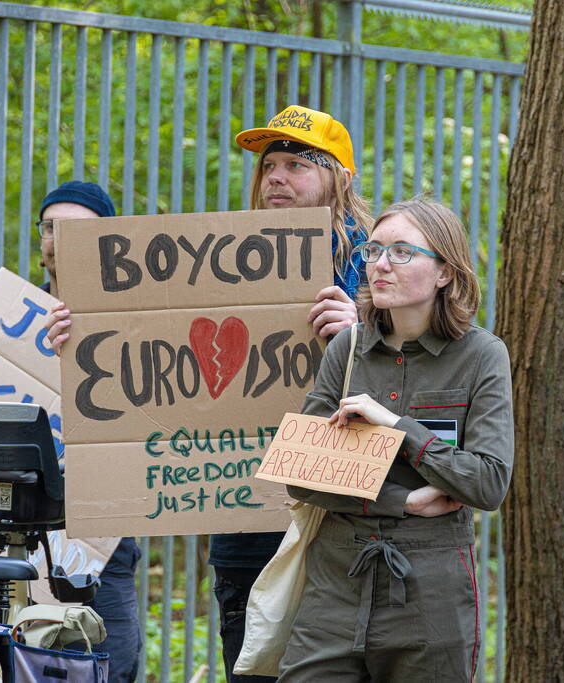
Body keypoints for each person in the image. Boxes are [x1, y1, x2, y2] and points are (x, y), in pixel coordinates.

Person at [45, 105, 373, 683]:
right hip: (249, 512)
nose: (276, 175)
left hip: (341, 517)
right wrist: (80, 335)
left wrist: (362, 330)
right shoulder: (221, 257)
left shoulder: (380, 263)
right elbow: (145, 343)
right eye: (270, 164)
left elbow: (422, 373)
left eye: (297, 164)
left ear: (339, 179)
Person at [276, 197, 513, 681]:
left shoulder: (482, 356)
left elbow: (488, 482)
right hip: (335, 585)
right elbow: (298, 476)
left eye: (402, 252)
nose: (380, 265)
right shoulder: (346, 349)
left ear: (445, 272)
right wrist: (401, 501)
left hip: (431, 592)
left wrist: (395, 425)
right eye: (374, 250)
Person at [0, 181, 143, 683]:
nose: (58, 237)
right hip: (4, 531)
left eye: (74, 227)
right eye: (49, 226)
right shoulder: (4, 323)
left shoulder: (142, 320)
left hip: (100, 542)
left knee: (106, 670)